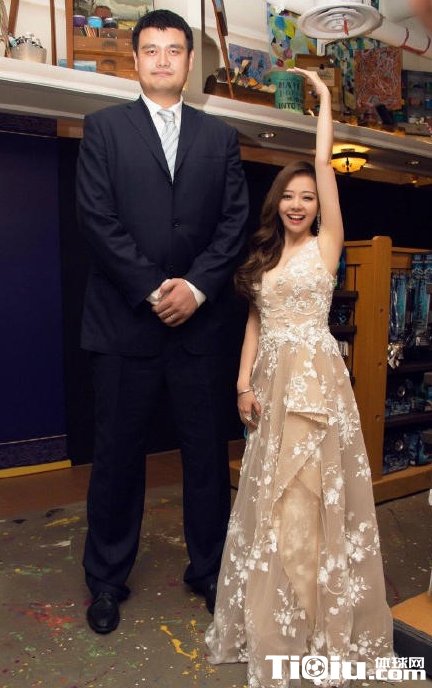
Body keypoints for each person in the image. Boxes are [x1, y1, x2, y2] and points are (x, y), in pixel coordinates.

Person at [205, 68, 393, 686]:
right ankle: (278, 618)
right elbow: (254, 326)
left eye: (307, 197)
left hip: (315, 381)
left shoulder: (327, 244)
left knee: (313, 493)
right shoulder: (264, 255)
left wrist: (326, 100)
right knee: (272, 497)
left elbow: (324, 165)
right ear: (277, 203)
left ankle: (317, 618)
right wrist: (242, 385)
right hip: (270, 382)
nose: (297, 204)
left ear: (318, 206)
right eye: (289, 196)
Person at [76, 9, 249, 634]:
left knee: (206, 459)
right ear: (135, 59)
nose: (163, 60)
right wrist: (154, 289)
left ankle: (209, 571)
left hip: (199, 329)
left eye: (175, 50)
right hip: (124, 326)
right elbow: (97, 219)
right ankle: (106, 580)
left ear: (189, 61)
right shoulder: (103, 129)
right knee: (117, 459)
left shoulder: (220, 138)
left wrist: (196, 290)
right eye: (151, 50)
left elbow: (234, 223)